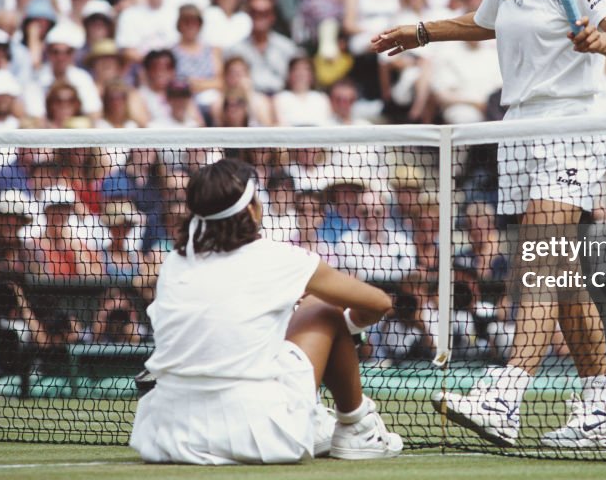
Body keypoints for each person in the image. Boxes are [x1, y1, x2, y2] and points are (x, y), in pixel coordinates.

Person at [372, 0, 606, 448]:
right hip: (515, 129)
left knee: (540, 264)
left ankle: (506, 393)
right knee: (559, 279)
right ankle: (600, 410)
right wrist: (420, 32)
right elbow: (483, 22)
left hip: (570, 125)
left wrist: (598, 39)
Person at [129, 157, 402, 464]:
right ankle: (359, 429)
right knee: (324, 308)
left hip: (170, 434)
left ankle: (316, 418)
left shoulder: (173, 263)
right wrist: (345, 326)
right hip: (254, 433)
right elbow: (379, 302)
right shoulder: (280, 258)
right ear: (250, 210)